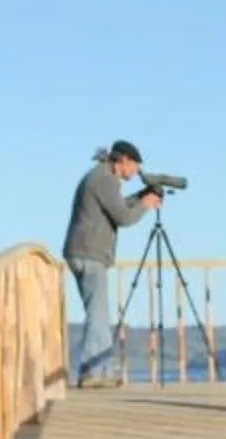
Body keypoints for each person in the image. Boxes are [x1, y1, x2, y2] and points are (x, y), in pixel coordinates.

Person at [63, 141, 162, 388]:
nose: (136, 171)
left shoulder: (101, 177)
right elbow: (123, 217)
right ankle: (92, 371)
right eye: (135, 166)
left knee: (98, 313)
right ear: (124, 161)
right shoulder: (105, 180)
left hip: (84, 252)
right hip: (89, 253)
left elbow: (115, 207)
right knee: (97, 315)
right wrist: (146, 205)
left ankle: (101, 369)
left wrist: (139, 198)